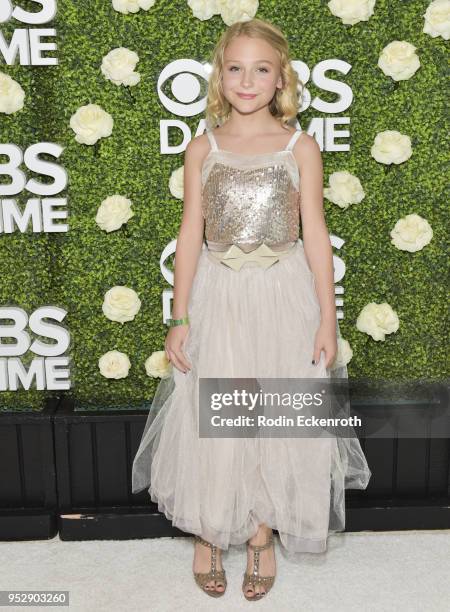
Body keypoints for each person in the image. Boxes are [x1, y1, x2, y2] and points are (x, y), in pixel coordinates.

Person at [132, 17, 371, 601]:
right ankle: (212, 531)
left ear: (280, 78)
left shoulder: (299, 147)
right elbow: (190, 233)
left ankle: (261, 533)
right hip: (219, 294)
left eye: (261, 69)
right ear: (220, 76)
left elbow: (315, 233)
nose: (247, 80)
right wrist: (179, 317)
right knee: (217, 411)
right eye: (235, 68)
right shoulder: (203, 148)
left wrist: (327, 315)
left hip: (284, 293)